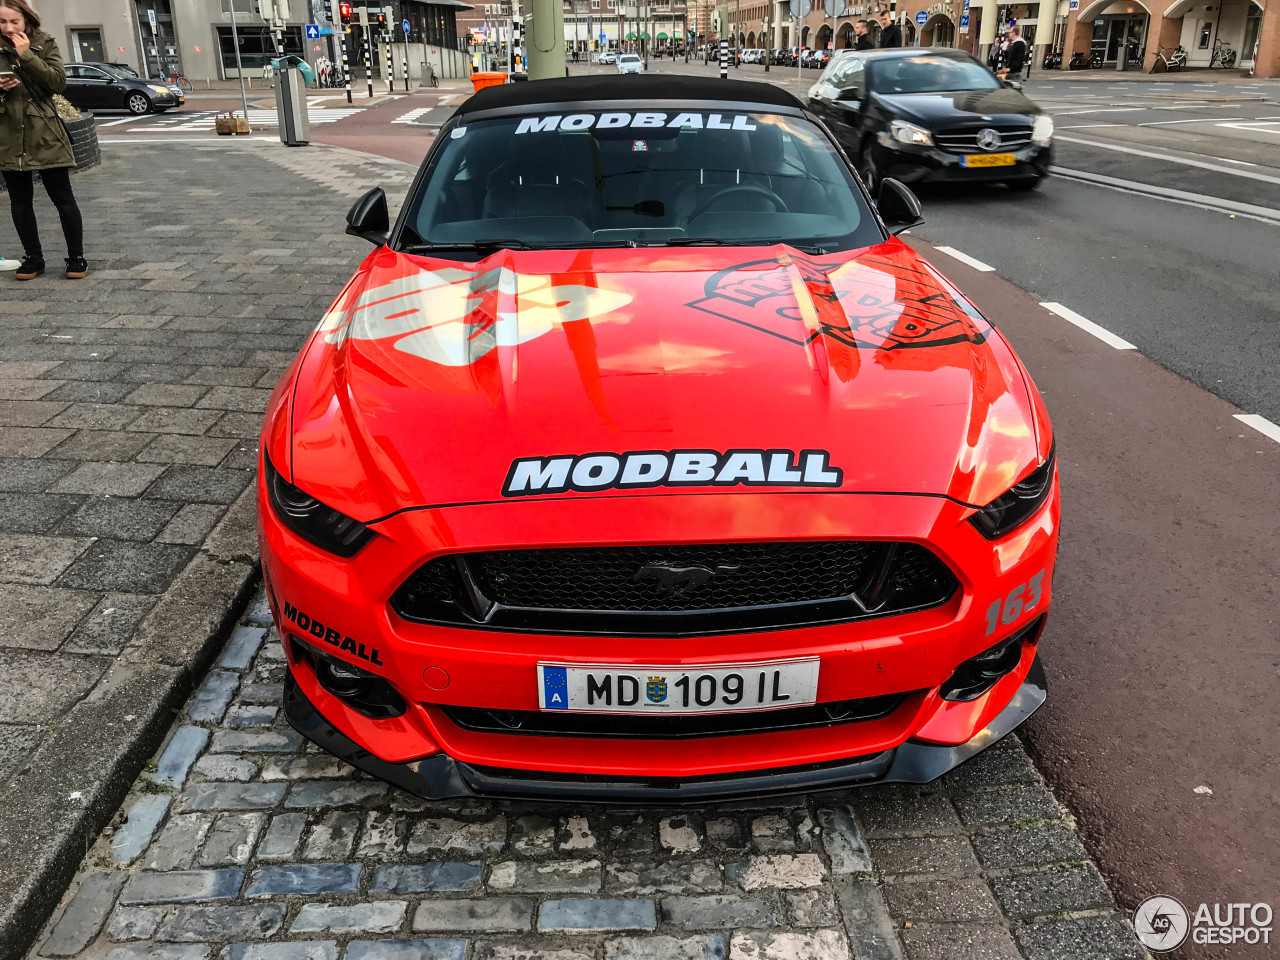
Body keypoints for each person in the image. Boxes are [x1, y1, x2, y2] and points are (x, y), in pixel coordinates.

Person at [0, 0, 85, 280]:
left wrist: (27, 56)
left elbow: (58, 83)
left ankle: (76, 258)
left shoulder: (44, 42)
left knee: (62, 197)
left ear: (26, 19)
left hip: (45, 131)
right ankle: (33, 258)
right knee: (20, 201)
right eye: (2, 22)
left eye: (15, 21)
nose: (9, 28)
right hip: (8, 133)